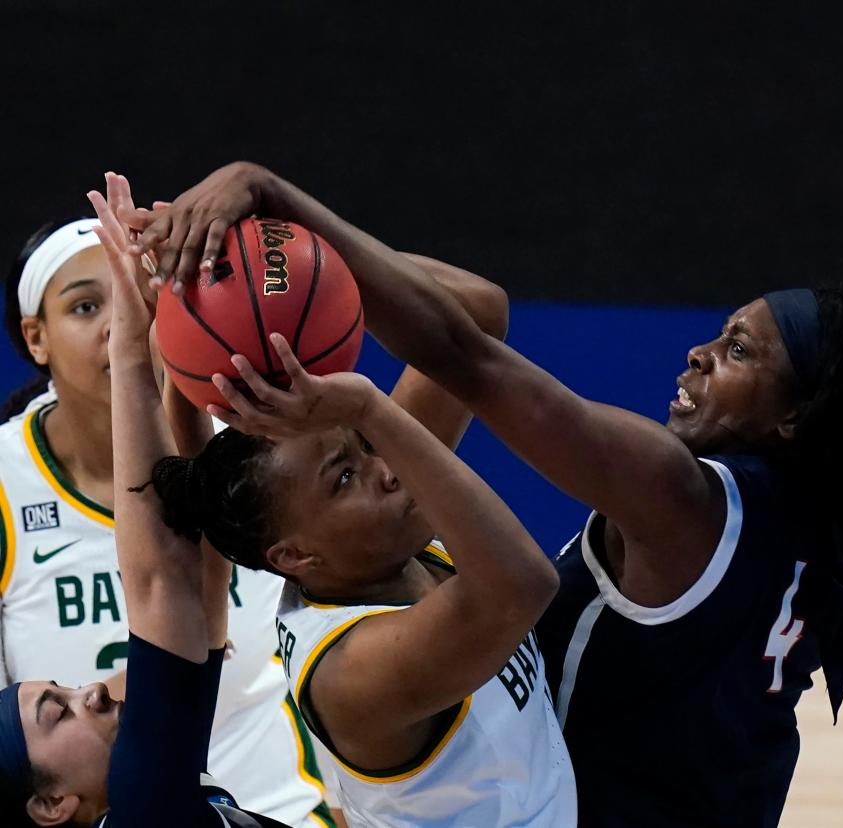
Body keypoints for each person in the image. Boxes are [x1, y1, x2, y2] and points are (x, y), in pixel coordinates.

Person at [129, 79, 843, 827]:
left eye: (737, 350)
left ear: (790, 417)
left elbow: (466, 347)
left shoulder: (678, 502)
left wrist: (274, 195)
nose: (697, 354)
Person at [115, 181, 579, 823]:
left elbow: (474, 315)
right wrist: (367, 407)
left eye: (361, 447)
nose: (385, 470)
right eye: (343, 477)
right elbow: (524, 585)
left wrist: (289, 252)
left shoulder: (372, 533)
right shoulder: (351, 674)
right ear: (294, 554)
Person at [0, 196, 335, 825]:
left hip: (288, 803)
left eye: (129, 297)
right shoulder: (144, 796)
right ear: (34, 337)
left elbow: (199, 583)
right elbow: (171, 582)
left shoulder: (244, 435)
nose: (92, 690)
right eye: (85, 305)